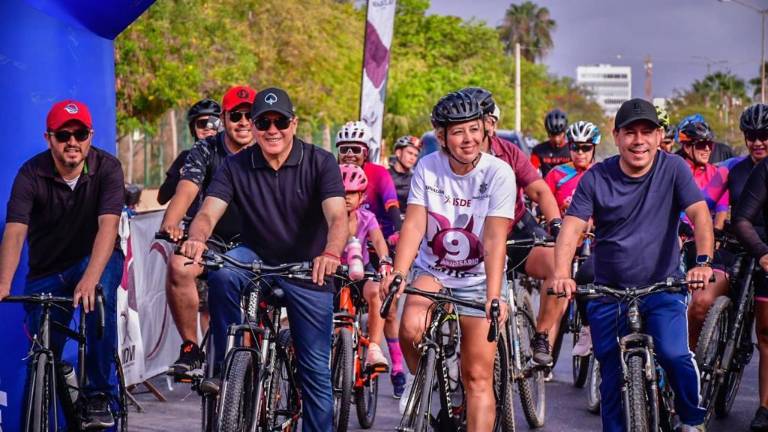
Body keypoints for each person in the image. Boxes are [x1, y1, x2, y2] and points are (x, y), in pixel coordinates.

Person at [181, 87, 347, 431]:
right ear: (254, 128)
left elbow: (337, 217)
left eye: (280, 121)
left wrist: (330, 253)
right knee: (222, 272)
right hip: (255, 258)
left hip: (308, 267)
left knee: (314, 369)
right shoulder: (235, 165)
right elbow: (208, 212)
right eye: (263, 122)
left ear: (294, 123)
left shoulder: (321, 161)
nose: (273, 129)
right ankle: (229, 360)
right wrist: (196, 238)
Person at [552, 98, 712, 432]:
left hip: (662, 287)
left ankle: (691, 418)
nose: (638, 140)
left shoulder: (674, 169)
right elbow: (572, 226)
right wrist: (561, 273)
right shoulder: (597, 177)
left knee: (674, 355)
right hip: (608, 292)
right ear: (617, 136)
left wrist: (703, 262)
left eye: (647, 132)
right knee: (610, 373)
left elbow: (699, 213)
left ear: (658, 136)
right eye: (630, 133)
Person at [380, 90, 516, 430]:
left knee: (477, 376)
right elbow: (413, 223)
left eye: (473, 129)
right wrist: (399, 273)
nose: (467, 139)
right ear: (442, 136)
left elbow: (495, 237)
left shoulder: (499, 172)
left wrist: (495, 295)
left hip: (480, 278)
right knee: (410, 326)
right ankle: (420, 382)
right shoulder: (428, 167)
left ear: (485, 130)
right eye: (457, 131)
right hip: (434, 271)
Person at [0, 100, 125, 428]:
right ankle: (56, 399)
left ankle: (99, 394)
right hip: (48, 270)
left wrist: (90, 277)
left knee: (99, 297)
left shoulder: (107, 168)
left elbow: (108, 227)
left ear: (90, 135)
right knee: (44, 351)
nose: (72, 141)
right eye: (63, 135)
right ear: (48, 138)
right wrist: (3, 282)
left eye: (80, 133)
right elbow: (15, 230)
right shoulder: (31, 173)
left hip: (96, 257)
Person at [463, 87, 565, 367]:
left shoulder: (509, 152)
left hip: (516, 229)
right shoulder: (453, 157)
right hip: (472, 239)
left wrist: (556, 226)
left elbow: (541, 192)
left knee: (559, 268)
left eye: (483, 121)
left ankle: (542, 335)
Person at [159, 85, 256, 378]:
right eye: (235, 116)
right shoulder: (206, 148)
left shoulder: (268, 148)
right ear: (224, 119)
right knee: (179, 265)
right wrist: (172, 223)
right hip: (210, 238)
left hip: (256, 242)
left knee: (256, 330)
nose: (242, 122)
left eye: (250, 115)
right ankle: (191, 347)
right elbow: (187, 188)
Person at [335, 120, 407, 396]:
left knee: (387, 303)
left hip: (378, 241)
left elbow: (391, 205)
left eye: (355, 148)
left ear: (367, 151)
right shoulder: (331, 172)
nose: (350, 153)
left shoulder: (379, 174)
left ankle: (397, 367)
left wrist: (396, 235)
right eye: (344, 149)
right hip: (338, 247)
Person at [544, 120, 601, 357]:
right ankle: (545, 351)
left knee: (586, 284)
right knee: (554, 295)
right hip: (560, 241)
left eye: (585, 148)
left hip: (591, 239)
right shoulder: (557, 173)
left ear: (594, 149)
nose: (580, 153)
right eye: (575, 147)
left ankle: (588, 328)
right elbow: (544, 204)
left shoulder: (601, 173)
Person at [675, 118, 732, 349]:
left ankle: (691, 350)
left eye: (710, 144)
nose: (707, 149)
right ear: (687, 146)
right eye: (701, 145)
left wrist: (715, 234)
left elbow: (721, 210)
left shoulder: (717, 173)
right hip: (679, 238)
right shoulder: (675, 169)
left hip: (705, 241)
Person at [729, 103, 768, 431]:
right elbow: (732, 215)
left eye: (764, 135)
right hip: (748, 250)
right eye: (751, 136)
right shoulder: (738, 169)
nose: (757, 141)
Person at [339, 163, 393, 369]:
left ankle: (373, 349)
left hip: (360, 271)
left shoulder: (366, 218)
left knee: (376, 292)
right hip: (332, 273)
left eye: (352, 193)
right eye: (341, 192)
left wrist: (385, 261)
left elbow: (379, 241)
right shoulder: (325, 216)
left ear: (362, 197)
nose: (346, 197)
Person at [157, 98, 222, 206]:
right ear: (193, 129)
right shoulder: (186, 157)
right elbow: (162, 198)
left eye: (213, 123)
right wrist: (180, 175)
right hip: (192, 220)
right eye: (202, 124)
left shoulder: (230, 157)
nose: (208, 128)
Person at [531, 108, 571, 177]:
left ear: (564, 132)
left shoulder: (573, 149)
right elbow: (531, 172)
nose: (556, 139)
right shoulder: (538, 151)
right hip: (546, 186)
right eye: (553, 135)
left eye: (559, 134)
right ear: (548, 133)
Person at [388, 135, 421, 212]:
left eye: (415, 155)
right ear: (398, 153)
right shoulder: (384, 176)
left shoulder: (417, 180)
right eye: (410, 153)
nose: (412, 158)